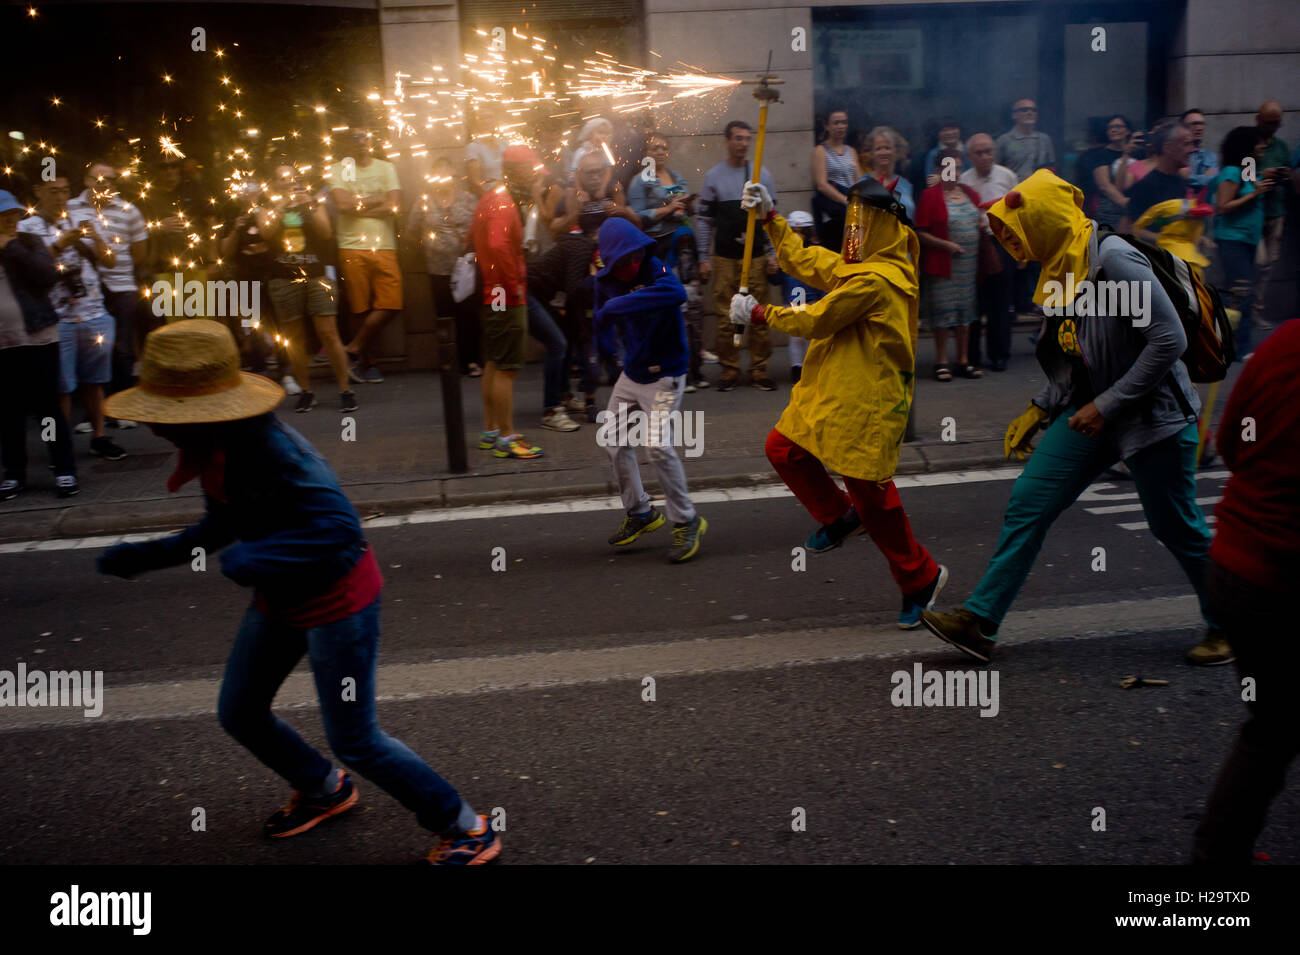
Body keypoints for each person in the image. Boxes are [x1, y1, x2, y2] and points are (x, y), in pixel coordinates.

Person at [96, 319, 499, 864]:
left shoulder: (271, 449)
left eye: (163, 416)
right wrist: (148, 555)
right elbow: (221, 524)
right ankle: (323, 787)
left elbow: (340, 529)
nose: (153, 428)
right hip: (282, 596)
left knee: (357, 739)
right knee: (239, 712)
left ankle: (466, 826)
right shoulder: (216, 446)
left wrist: (254, 556)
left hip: (339, 600)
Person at [921, 170, 1227, 665]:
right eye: (1001, 233)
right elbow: (1076, 355)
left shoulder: (1111, 261)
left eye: (1012, 231)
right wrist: (1041, 406)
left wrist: (1105, 406)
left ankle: (1231, 622)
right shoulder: (1061, 268)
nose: (1008, 242)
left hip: (1154, 417)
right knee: (1029, 500)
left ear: (1043, 220)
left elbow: (1169, 341)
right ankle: (981, 620)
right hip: (1092, 417)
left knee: (1177, 527)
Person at [731, 176, 949, 630]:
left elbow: (818, 317)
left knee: (875, 498)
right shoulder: (862, 267)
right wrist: (772, 219)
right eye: (850, 221)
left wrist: (759, 314)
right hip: (834, 391)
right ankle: (840, 514)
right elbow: (808, 260)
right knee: (783, 449)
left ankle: (920, 579)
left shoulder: (878, 279)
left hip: (870, 402)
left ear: (877, 228)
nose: (852, 232)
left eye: (859, 222)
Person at [1190, 318, 1300, 864]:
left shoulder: (1284, 341)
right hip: (1280, 578)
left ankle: (1220, 853)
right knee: (1276, 727)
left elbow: (1233, 442)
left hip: (1234, 568)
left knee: (1272, 726)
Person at [594, 217, 706, 563]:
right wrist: (607, 358)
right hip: (632, 373)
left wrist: (617, 306)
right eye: (623, 261)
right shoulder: (606, 281)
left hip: (665, 374)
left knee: (657, 445)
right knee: (613, 442)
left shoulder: (653, 266)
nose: (631, 265)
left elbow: (674, 293)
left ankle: (687, 521)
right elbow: (601, 320)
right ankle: (641, 512)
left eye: (634, 256)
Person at [18, 175, 127, 462]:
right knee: (60, 387)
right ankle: (60, 447)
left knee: (95, 382)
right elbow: (27, 271)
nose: (60, 197)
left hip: (93, 312)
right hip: (55, 319)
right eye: (53, 191)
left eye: (65, 191)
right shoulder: (26, 228)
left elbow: (110, 261)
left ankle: (99, 438)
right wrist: (58, 245)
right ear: (37, 191)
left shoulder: (80, 218)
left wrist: (97, 237)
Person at [546, 149, 640, 419]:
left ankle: (625, 396)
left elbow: (634, 222)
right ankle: (581, 398)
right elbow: (553, 230)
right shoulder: (570, 194)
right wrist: (573, 214)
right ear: (579, 174)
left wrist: (620, 210)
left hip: (612, 276)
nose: (596, 176)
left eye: (600, 170)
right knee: (582, 340)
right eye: (590, 172)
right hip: (581, 280)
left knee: (619, 337)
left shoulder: (614, 189)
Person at [0, 190, 78, 499]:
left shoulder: (29, 245)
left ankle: (63, 470)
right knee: (9, 412)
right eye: (4, 218)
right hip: (3, 344)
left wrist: (12, 250)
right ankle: (14, 474)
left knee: (48, 407)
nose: (11, 223)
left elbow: (47, 277)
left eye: (13, 217)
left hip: (38, 338)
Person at [469, 145, 546, 459]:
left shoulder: (490, 196)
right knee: (508, 368)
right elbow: (499, 246)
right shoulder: (504, 202)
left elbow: (475, 238)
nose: (535, 175)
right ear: (519, 171)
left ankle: (491, 431)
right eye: (531, 170)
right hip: (505, 292)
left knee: (494, 361)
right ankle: (506, 437)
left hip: (492, 291)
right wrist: (514, 285)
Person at [261, 165, 357, 414]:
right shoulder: (267, 204)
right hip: (283, 278)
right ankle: (306, 392)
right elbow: (265, 230)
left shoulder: (314, 200)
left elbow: (325, 233)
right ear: (274, 182)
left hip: (316, 276)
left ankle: (346, 390)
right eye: (282, 178)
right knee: (294, 339)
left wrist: (310, 206)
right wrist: (282, 205)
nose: (287, 182)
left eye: (291, 178)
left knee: (329, 333)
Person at [696, 120, 780, 391]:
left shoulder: (761, 176)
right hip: (724, 258)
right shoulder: (714, 177)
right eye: (738, 139)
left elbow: (771, 219)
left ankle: (759, 369)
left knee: (759, 315)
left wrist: (772, 254)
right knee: (725, 318)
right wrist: (703, 257)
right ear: (727, 141)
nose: (743, 144)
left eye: (747, 139)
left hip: (755, 257)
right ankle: (729, 370)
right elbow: (704, 220)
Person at [67, 160, 148, 424]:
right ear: (87, 180)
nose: (105, 185)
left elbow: (139, 252)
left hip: (120, 286)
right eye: (99, 179)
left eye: (110, 180)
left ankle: (122, 408)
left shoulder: (129, 211)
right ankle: (92, 413)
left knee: (121, 347)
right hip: (82, 290)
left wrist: (118, 268)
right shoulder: (70, 208)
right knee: (87, 349)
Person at [625, 135, 708, 392]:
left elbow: (686, 209)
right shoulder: (639, 181)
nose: (660, 151)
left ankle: (694, 368)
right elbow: (636, 218)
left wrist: (687, 206)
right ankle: (668, 366)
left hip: (681, 244)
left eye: (663, 147)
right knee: (667, 308)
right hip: (658, 246)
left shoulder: (677, 176)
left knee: (691, 304)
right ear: (646, 152)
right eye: (654, 148)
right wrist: (667, 209)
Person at [328, 129, 402, 384]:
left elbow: (393, 206)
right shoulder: (337, 169)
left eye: (365, 139)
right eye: (355, 139)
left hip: (384, 245)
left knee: (392, 303)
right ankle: (368, 364)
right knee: (359, 308)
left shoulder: (386, 167)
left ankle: (352, 348)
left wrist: (357, 207)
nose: (361, 143)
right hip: (351, 245)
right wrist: (376, 200)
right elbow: (342, 205)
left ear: (372, 142)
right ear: (348, 144)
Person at [915, 150, 986, 381]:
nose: (953, 172)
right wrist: (946, 245)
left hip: (969, 265)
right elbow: (920, 232)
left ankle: (963, 361)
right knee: (943, 315)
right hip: (943, 264)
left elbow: (981, 218)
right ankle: (941, 361)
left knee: (966, 314)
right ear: (938, 171)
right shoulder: (930, 196)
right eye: (948, 168)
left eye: (957, 168)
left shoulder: (971, 194)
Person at [408, 157, 481, 377]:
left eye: (447, 174)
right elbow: (411, 232)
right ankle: (450, 361)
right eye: (438, 174)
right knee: (444, 315)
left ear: (454, 177)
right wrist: (428, 246)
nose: (443, 179)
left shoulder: (468, 200)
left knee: (468, 314)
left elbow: (480, 228)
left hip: (465, 268)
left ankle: (472, 360)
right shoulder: (423, 202)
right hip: (437, 269)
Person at [1211, 126, 1272, 359]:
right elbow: (1222, 207)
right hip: (1232, 239)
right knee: (1241, 293)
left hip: (1247, 239)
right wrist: (1255, 194)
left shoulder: (1248, 167)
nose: (1263, 146)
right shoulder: (1231, 172)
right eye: (1258, 143)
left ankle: (1227, 343)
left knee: (1236, 293)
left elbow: (1251, 187)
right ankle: (1239, 348)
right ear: (1247, 146)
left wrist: (1264, 179)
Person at [961, 133, 1019, 371]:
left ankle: (999, 355)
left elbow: (1019, 213)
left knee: (1000, 302)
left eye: (989, 151)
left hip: (1002, 243)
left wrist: (1020, 249)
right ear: (969, 156)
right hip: (973, 246)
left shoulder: (1007, 176)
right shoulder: (963, 180)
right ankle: (972, 356)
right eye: (979, 152)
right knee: (973, 302)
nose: (985, 156)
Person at [1119, 119, 1193, 237]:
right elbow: (1127, 228)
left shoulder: (1182, 182)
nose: (1192, 150)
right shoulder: (1145, 186)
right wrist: (1165, 240)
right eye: (1186, 144)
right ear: (1168, 148)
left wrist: (1199, 238)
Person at [1254, 101, 1290, 318]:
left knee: (1269, 263)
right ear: (1258, 120)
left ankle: (1257, 307)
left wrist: (1283, 175)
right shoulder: (1250, 145)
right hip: (1254, 212)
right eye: (1269, 123)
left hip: (1276, 210)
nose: (1273, 128)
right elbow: (1240, 175)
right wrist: (1261, 174)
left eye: (1277, 123)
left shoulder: (1281, 147)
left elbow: (1289, 173)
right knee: (1259, 262)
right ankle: (1247, 306)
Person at [811, 109, 862, 253]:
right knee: (836, 253)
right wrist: (845, 200)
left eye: (844, 122)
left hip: (853, 212)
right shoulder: (820, 150)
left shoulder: (851, 151)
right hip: (833, 213)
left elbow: (859, 180)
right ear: (827, 126)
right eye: (836, 123)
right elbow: (821, 184)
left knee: (854, 254)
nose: (840, 126)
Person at [780, 211, 821, 385]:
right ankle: (797, 369)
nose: (798, 236)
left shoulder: (816, 252)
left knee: (813, 338)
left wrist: (824, 298)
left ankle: (814, 369)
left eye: (802, 231)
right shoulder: (785, 255)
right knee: (796, 337)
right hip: (794, 300)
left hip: (813, 300)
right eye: (794, 231)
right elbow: (778, 278)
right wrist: (772, 271)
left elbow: (822, 277)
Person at [1085, 116, 1136, 229]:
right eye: (1110, 127)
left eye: (1118, 126)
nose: (1114, 130)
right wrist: (1124, 202)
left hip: (1137, 206)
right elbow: (1104, 185)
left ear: (1128, 130)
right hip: (1111, 209)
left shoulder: (1137, 151)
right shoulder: (1101, 154)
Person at [861, 127, 916, 221]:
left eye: (887, 148)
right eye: (878, 148)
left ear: (896, 152)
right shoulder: (863, 185)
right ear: (872, 153)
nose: (883, 152)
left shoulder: (906, 186)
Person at [995, 99, 1056, 181]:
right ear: (1014, 115)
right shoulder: (1003, 141)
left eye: (1033, 110)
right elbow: (996, 171)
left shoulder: (1044, 139)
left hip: (1039, 190)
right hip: (1015, 190)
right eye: (1024, 110)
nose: (1029, 113)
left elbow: (1051, 169)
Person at [465, 103, 506, 197]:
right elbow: (476, 182)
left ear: (495, 121)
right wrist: (492, 198)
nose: (487, 121)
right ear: (477, 122)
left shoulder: (504, 144)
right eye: (482, 118)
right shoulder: (473, 148)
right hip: (490, 196)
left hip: (510, 194)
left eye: (490, 117)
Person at [1181, 109, 1219, 199]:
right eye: (1194, 124)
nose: (1199, 128)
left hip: (1206, 208)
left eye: (1201, 124)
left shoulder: (1210, 156)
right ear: (1182, 127)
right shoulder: (1178, 154)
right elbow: (1180, 178)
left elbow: (1214, 180)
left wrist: (1190, 178)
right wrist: (1206, 176)